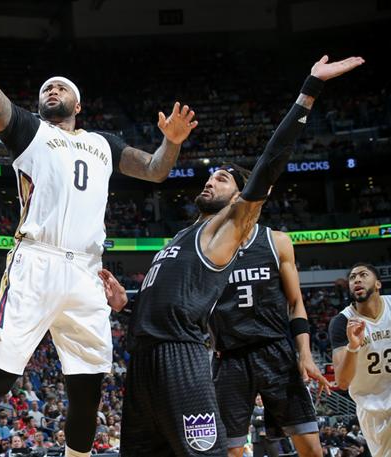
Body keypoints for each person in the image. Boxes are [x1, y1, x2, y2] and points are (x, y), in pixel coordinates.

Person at [0, 2, 199, 457]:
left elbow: (157, 170)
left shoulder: (103, 144)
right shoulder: (28, 131)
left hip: (87, 273)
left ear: (78, 104)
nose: (52, 89)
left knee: (88, 389)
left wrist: (171, 142)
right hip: (36, 261)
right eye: (46, 87)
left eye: (62, 87)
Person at [100, 55, 364, 457]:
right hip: (144, 360)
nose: (210, 181)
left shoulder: (228, 230)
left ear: (242, 198)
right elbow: (171, 307)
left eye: (221, 179)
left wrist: (309, 89)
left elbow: (268, 165)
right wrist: (124, 305)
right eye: (209, 177)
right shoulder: (180, 237)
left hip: (186, 357)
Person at [208, 215, 331, 455]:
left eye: (222, 179)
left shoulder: (276, 241)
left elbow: (296, 303)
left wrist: (305, 354)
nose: (211, 184)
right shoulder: (207, 249)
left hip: (275, 350)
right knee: (229, 450)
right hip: (230, 356)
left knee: (311, 446)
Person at [329, 263, 391, 457]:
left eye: (363, 275)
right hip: (373, 410)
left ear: (378, 284)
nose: (357, 279)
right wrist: (353, 347)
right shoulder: (341, 322)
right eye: (352, 277)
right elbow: (342, 381)